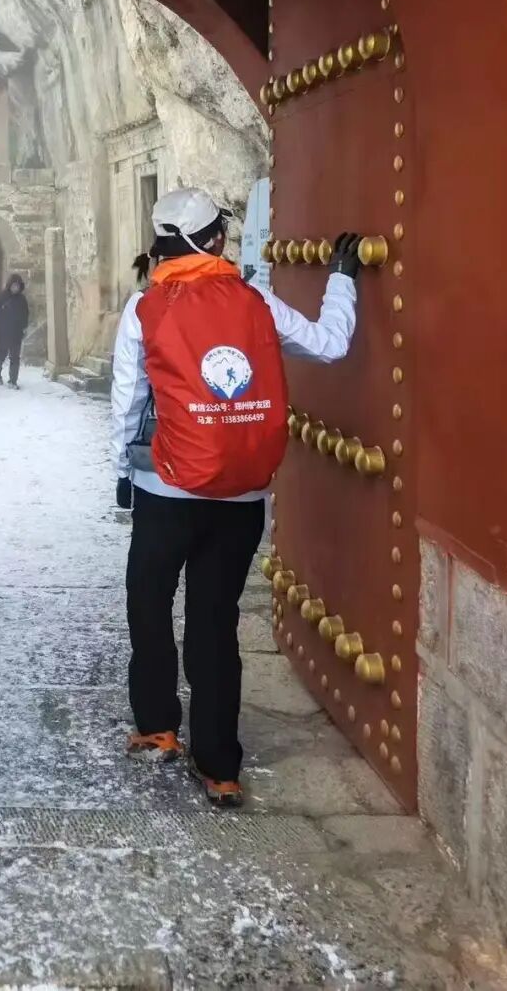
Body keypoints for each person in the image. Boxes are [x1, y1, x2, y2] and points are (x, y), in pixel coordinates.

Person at [110, 186, 362, 808]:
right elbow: (331, 344)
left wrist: (122, 470)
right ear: (217, 241)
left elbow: (129, 400)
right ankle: (219, 765)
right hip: (243, 496)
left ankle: (158, 725)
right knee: (216, 622)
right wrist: (342, 278)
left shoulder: (144, 307)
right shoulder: (257, 300)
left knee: (149, 602)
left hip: (166, 488)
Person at [0, 274, 30, 388]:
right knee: (1, 355)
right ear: (9, 285)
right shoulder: (1, 297)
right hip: (3, 332)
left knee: (15, 358)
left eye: (17, 286)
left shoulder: (22, 299)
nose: (15, 288)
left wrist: (24, 326)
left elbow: (25, 314)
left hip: (16, 333)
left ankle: (13, 380)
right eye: (13, 285)